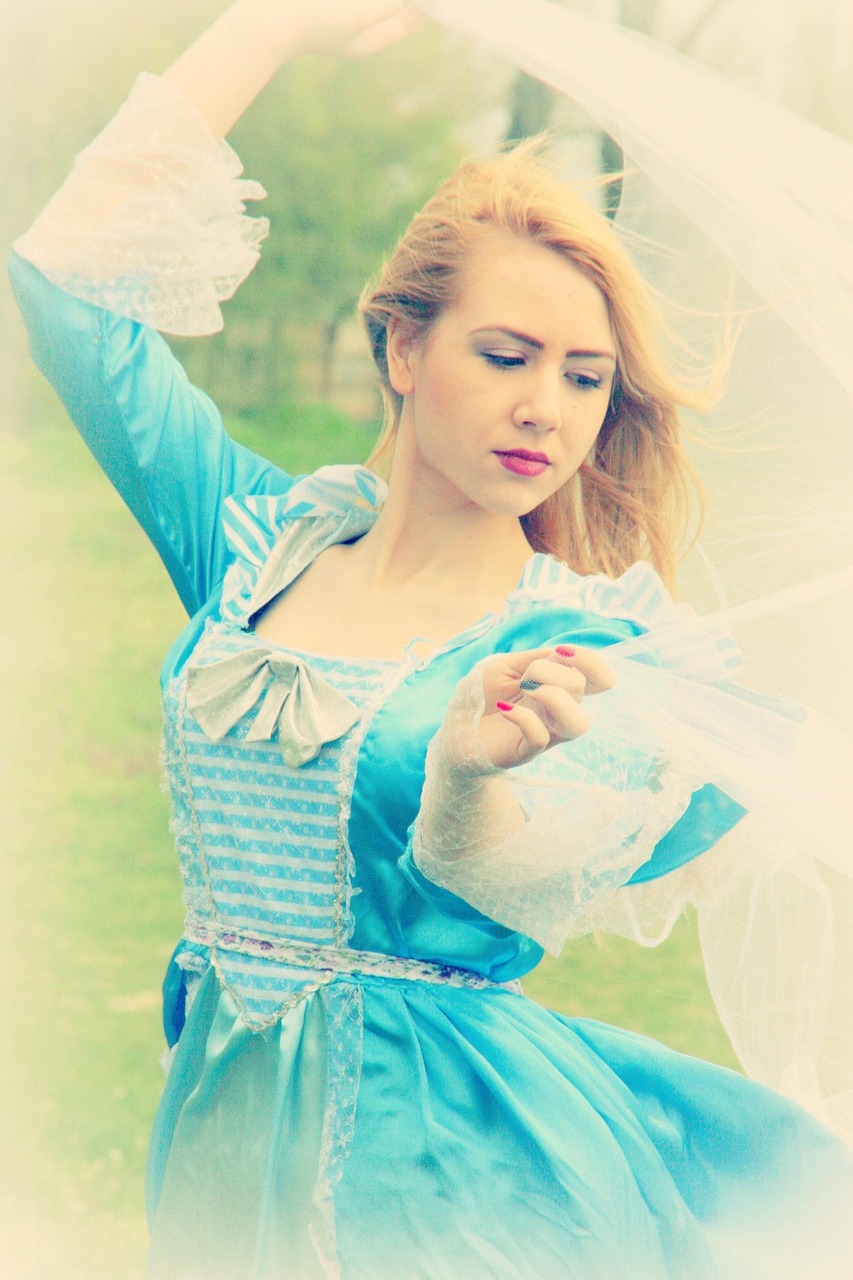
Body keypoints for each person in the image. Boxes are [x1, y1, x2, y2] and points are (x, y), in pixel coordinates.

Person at [9, 2, 853, 1277]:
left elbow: (514, 890)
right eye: (507, 355)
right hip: (224, 1142)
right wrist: (264, 30)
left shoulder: (584, 643)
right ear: (403, 347)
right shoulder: (252, 545)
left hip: (454, 1175)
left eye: (584, 377)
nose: (546, 408)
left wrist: (464, 775)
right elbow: (66, 292)